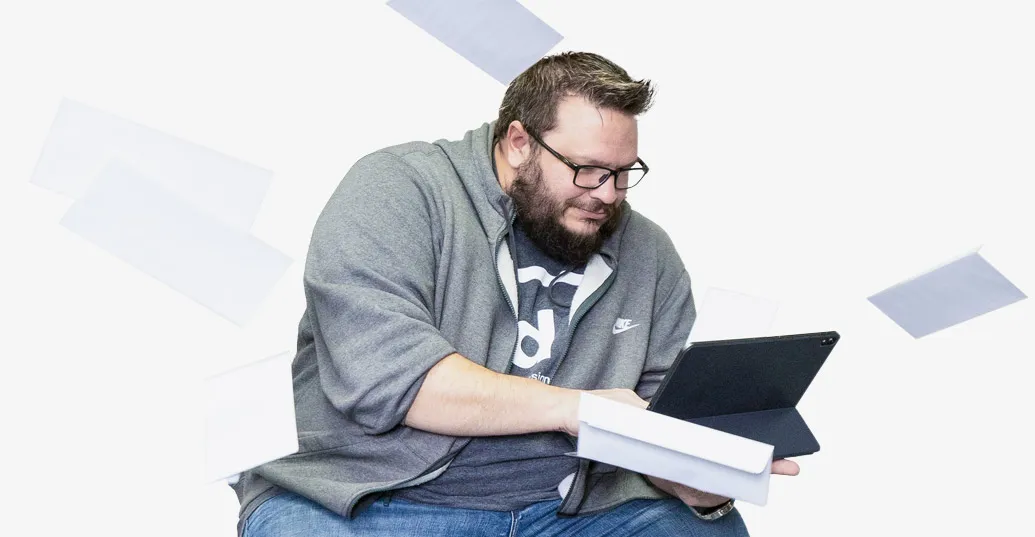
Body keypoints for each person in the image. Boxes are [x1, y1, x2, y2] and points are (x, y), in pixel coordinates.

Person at [231, 51, 799, 537]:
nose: (607, 194)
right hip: (374, 499)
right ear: (519, 142)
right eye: (587, 170)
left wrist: (699, 479)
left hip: (569, 507)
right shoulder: (398, 191)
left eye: (625, 172)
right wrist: (582, 410)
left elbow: (649, 424)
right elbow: (388, 384)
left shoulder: (649, 253)